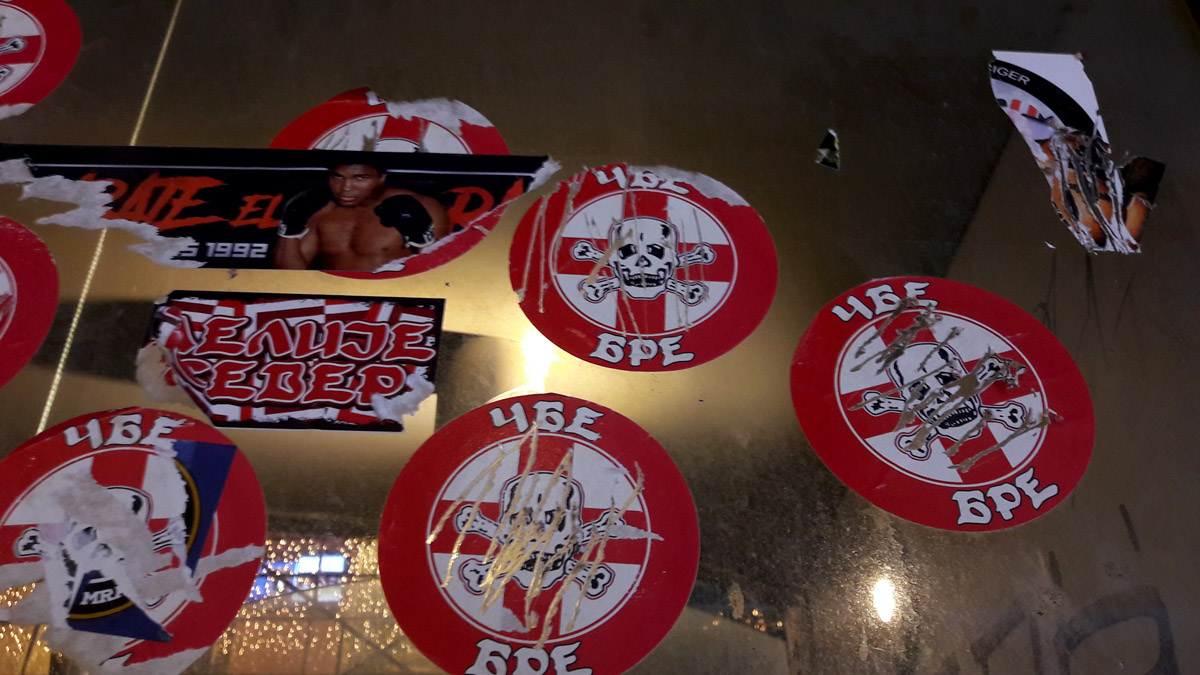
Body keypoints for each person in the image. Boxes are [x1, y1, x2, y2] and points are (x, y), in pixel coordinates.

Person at [273, 161, 449, 270]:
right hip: (332, 299)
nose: (346, 188)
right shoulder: (320, 209)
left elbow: (441, 274)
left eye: (360, 178)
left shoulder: (423, 206)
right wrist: (289, 231)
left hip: (392, 299)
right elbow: (290, 274)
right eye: (337, 177)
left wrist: (423, 240)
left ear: (381, 178)